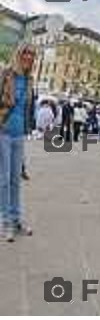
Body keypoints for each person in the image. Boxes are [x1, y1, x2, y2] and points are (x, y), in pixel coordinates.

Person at [0, 43, 36, 241]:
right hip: (3, 132)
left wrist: (27, 129)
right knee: (3, 181)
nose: (29, 57)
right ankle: (5, 222)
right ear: (18, 53)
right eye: (26, 53)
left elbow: (27, 108)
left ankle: (16, 219)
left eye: (32, 54)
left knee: (15, 180)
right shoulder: (6, 74)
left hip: (19, 134)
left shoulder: (30, 79)